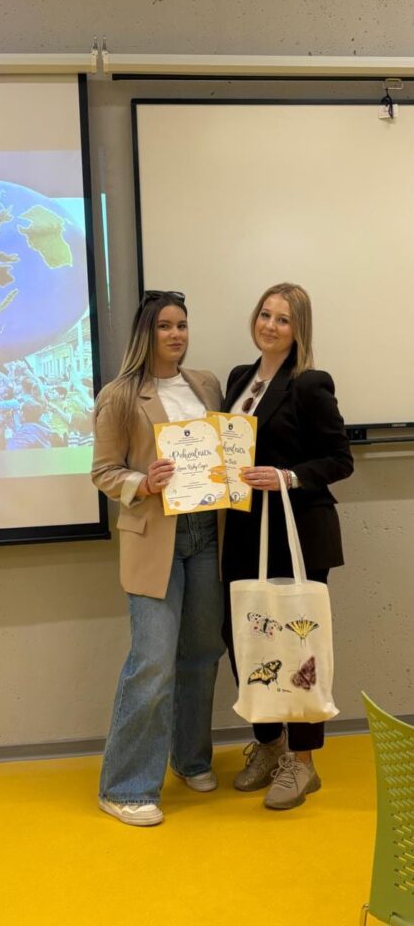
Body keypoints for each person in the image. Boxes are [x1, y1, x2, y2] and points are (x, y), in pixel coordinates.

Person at [91, 290, 225, 827]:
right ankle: (124, 787)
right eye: (165, 326)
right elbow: (103, 472)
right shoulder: (120, 395)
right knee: (152, 662)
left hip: (206, 534)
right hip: (154, 538)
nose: (176, 334)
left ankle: (190, 759)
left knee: (202, 653)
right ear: (145, 333)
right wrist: (142, 482)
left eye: (182, 325)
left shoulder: (206, 384)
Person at [221, 282, 353, 811]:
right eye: (265, 315)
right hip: (245, 531)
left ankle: (303, 763)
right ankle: (269, 744)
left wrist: (288, 477)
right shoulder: (239, 378)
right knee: (245, 639)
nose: (270, 326)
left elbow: (340, 459)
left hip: (298, 531)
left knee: (298, 649)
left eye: (283, 320)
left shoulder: (311, 383)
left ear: (299, 330)